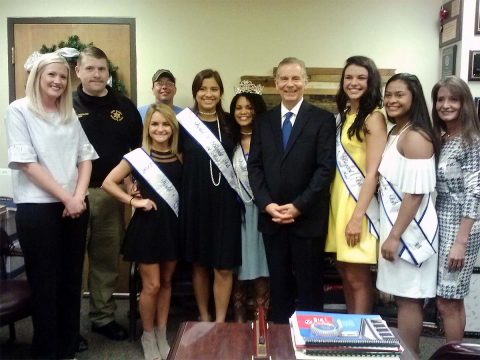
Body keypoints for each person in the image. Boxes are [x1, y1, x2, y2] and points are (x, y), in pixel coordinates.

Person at [4, 52, 98, 359]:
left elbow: (86, 158)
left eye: (62, 76)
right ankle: (46, 349)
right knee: (44, 282)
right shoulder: (19, 110)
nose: (58, 81)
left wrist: (79, 196)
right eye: (51, 75)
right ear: (38, 77)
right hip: (38, 208)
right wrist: (66, 197)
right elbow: (27, 164)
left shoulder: (68, 114)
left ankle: (68, 345)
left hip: (74, 207)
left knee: (71, 281)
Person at [248, 57, 336, 324]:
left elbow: (324, 169)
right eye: (284, 79)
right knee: (279, 285)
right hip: (273, 218)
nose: (290, 84)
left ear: (305, 82)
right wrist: (266, 204)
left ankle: (311, 345)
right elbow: (255, 166)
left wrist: (298, 206)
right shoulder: (263, 121)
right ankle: (280, 342)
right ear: (276, 83)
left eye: (296, 78)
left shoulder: (322, 120)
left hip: (307, 219)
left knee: (310, 288)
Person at [73, 46, 143, 340]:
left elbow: (137, 152)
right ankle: (66, 325)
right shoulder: (66, 104)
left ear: (108, 72)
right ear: (78, 71)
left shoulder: (124, 106)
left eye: (102, 69)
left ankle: (102, 318)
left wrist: (132, 183)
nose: (97, 74)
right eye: (90, 68)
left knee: (105, 260)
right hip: (69, 196)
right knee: (69, 261)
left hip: (108, 194)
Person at [102, 103, 181, 360]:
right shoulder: (137, 157)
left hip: (172, 227)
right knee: (152, 285)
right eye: (155, 124)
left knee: (167, 283)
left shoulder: (181, 156)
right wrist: (133, 201)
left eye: (165, 124)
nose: (160, 129)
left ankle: (161, 332)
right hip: (147, 228)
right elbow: (107, 183)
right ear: (148, 128)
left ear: (173, 127)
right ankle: (148, 335)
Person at [377, 73, 440, 358]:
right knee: (403, 299)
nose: (392, 100)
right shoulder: (397, 132)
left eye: (399, 94)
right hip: (399, 228)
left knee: (409, 301)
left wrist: (394, 236)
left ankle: (411, 356)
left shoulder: (416, 135)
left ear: (413, 97)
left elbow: (415, 194)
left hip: (412, 234)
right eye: (388, 94)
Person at [177, 69, 241, 323]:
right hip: (195, 201)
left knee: (223, 266)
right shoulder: (183, 122)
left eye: (214, 89)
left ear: (221, 92)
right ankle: (204, 316)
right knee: (200, 265)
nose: (208, 94)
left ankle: (220, 321)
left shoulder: (230, 122)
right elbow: (174, 158)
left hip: (225, 203)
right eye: (203, 89)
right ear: (195, 92)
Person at [325, 56, 386, 314]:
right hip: (338, 202)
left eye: (361, 77)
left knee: (358, 278)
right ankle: (352, 330)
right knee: (345, 274)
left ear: (370, 81)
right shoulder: (345, 116)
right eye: (349, 77)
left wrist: (356, 217)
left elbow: (373, 173)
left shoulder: (373, 117)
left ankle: (361, 336)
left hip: (358, 206)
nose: (354, 83)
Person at [431, 76, 480, 343]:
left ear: (465, 104)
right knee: (450, 301)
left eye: (453, 99)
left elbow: (475, 192)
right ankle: (457, 352)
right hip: (442, 219)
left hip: (461, 226)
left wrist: (460, 242)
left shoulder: (471, 140)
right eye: (440, 99)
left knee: (447, 302)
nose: (446, 105)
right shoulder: (444, 137)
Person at [229, 81, 270, 322]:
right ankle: (239, 325)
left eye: (249, 107)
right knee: (238, 271)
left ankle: (262, 324)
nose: (244, 112)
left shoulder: (268, 140)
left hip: (262, 212)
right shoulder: (228, 141)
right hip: (238, 214)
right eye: (239, 108)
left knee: (262, 270)